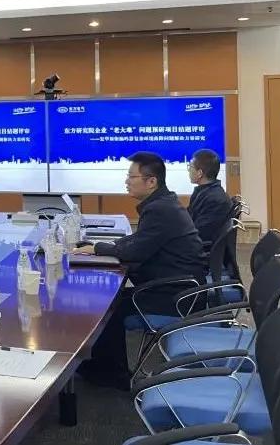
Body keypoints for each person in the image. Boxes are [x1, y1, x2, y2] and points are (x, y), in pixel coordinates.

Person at [72, 152, 205, 388]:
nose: (126, 181)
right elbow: (138, 241)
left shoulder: (160, 209)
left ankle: (112, 375)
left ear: (151, 181)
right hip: (177, 286)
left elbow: (136, 251)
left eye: (131, 177)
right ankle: (101, 367)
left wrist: (97, 248)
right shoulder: (163, 203)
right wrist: (103, 246)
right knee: (109, 300)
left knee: (107, 307)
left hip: (175, 295)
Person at [187, 149, 232, 247]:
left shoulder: (215, 200)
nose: (189, 170)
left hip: (199, 249)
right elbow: (188, 217)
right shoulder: (204, 192)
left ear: (199, 173)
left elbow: (199, 232)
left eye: (190, 167)